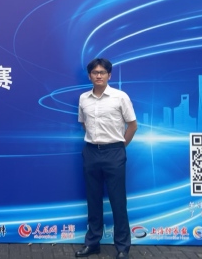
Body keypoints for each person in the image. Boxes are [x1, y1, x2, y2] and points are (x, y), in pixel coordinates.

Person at [75, 58, 138, 259]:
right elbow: (84, 123)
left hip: (114, 152)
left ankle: (122, 247)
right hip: (91, 152)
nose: (99, 75)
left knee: (118, 201)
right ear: (89, 76)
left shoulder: (120, 97)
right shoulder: (83, 98)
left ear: (109, 75)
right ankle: (92, 243)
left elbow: (133, 125)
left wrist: (119, 147)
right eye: (95, 72)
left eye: (102, 72)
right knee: (93, 200)